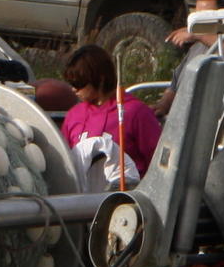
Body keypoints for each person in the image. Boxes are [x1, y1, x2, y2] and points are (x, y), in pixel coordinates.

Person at [61, 44, 161, 189]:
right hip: (81, 200)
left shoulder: (136, 112)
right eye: (71, 83)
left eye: (79, 83)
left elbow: (158, 163)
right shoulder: (74, 115)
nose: (73, 89)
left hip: (125, 200)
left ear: (100, 79)